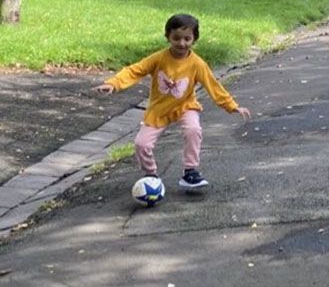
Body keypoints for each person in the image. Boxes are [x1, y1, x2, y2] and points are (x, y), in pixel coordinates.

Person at [92, 14, 251, 190]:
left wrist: (232, 106)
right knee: (141, 144)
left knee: (193, 129)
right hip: (159, 110)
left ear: (194, 39)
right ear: (167, 36)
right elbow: (135, 71)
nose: (181, 43)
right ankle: (151, 175)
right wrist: (113, 83)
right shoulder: (158, 58)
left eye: (187, 39)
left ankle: (190, 171)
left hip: (185, 106)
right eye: (176, 38)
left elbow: (213, 85)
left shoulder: (197, 64)